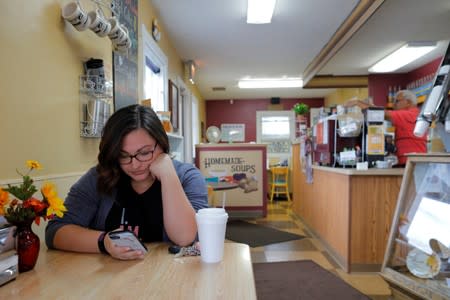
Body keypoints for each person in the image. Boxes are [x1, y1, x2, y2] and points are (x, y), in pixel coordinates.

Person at [46, 104, 208, 260]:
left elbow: (186, 238)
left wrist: (168, 175)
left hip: (167, 278)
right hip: (111, 279)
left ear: (162, 144)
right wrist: (104, 242)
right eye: (123, 155)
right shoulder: (99, 176)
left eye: (144, 153)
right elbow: (55, 231)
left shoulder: (187, 177)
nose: (135, 164)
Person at [345, 90, 427, 166]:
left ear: (408, 102)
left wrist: (358, 103)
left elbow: (380, 113)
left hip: (413, 162)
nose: (394, 104)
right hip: (410, 160)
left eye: (397, 101)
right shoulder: (415, 114)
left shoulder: (410, 114)